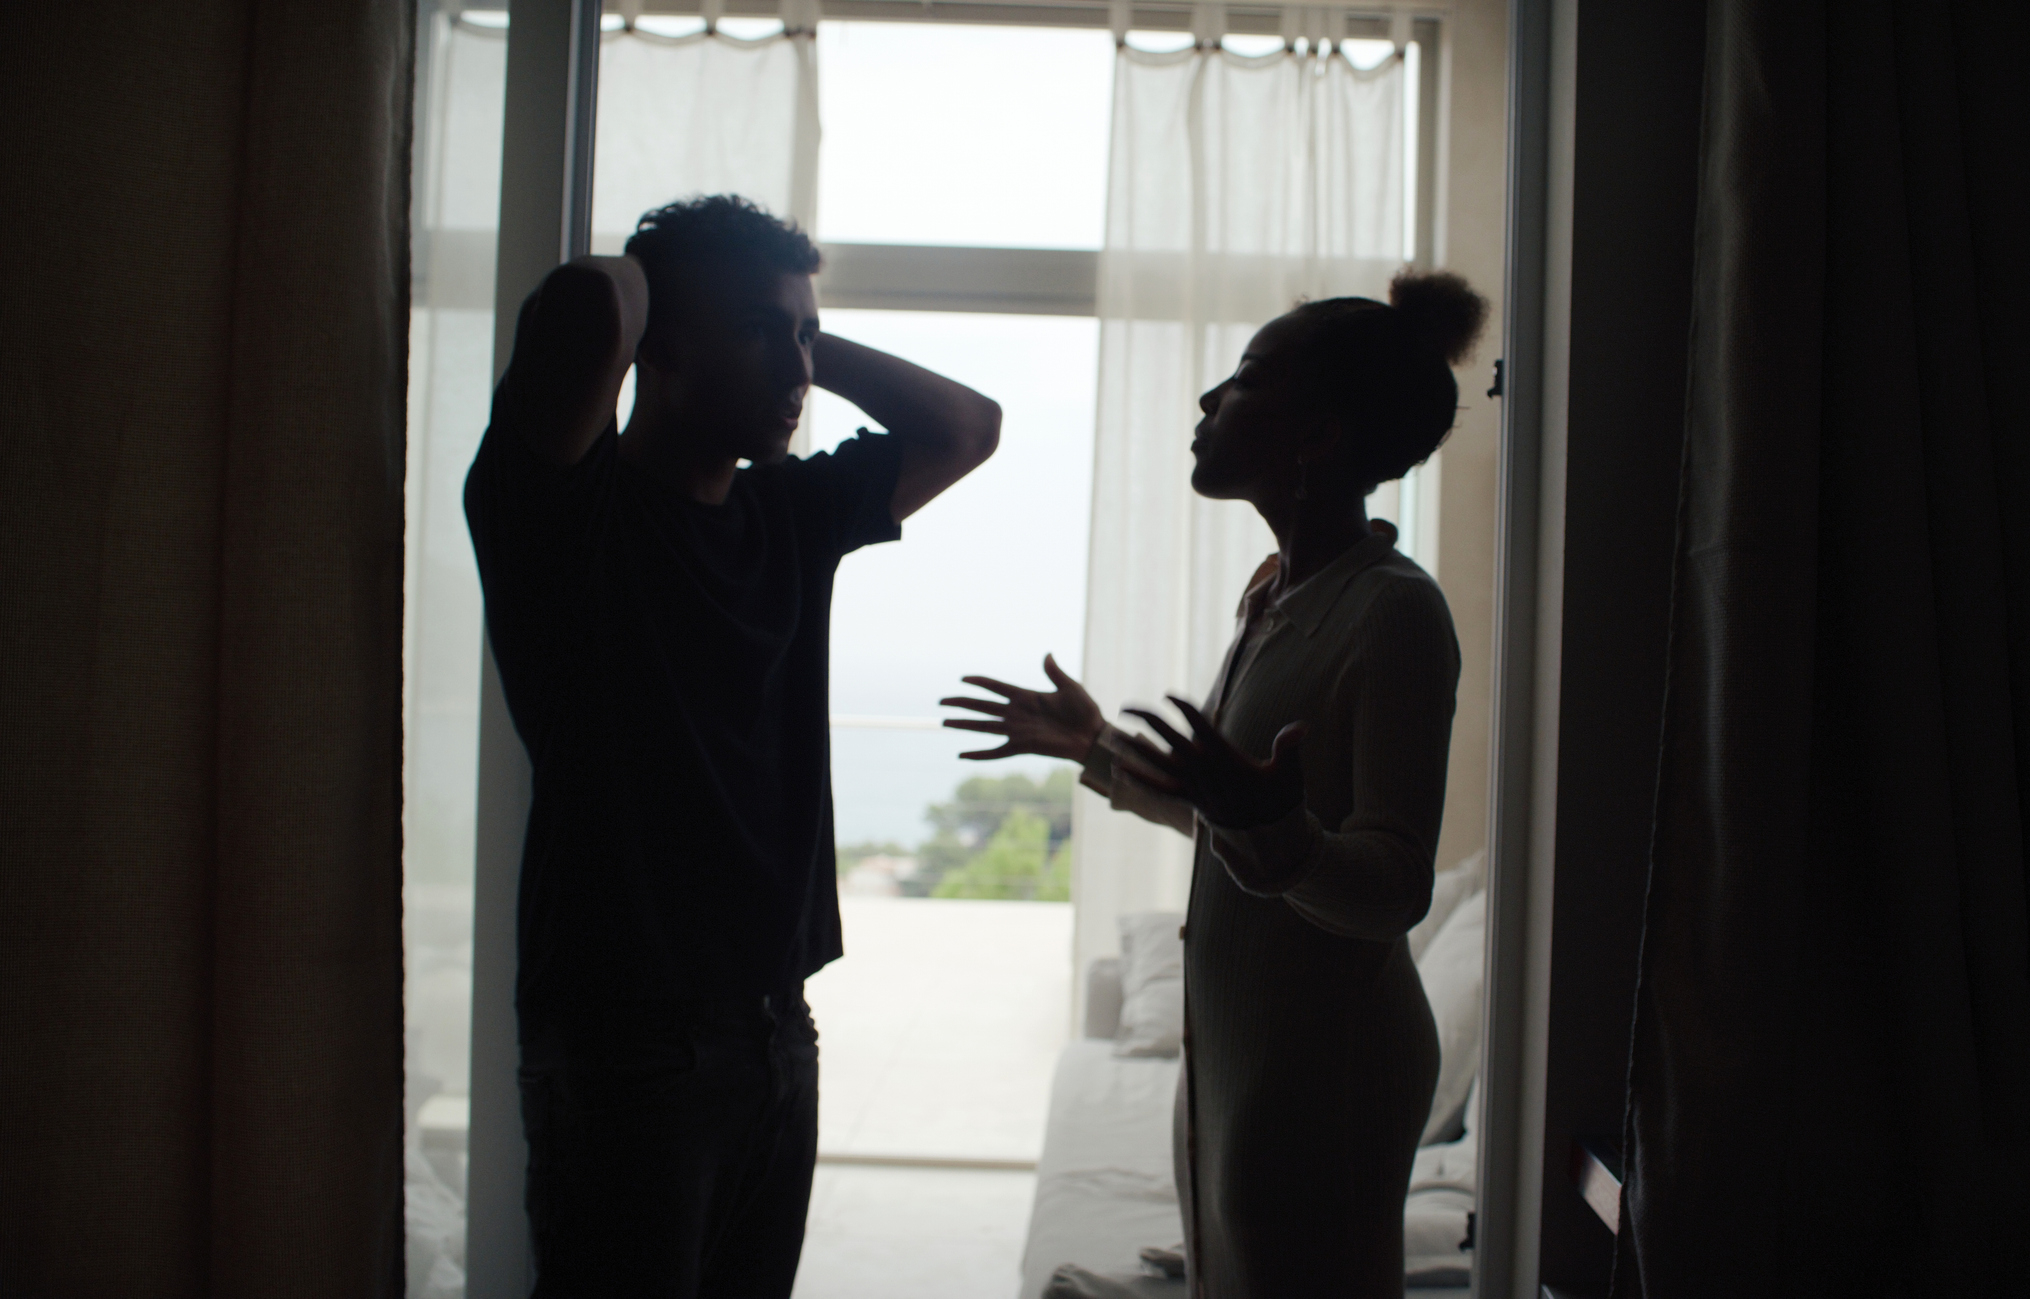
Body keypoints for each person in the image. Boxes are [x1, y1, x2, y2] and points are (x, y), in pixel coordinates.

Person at [464, 194, 1000, 1297]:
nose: (794, 368)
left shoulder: (787, 517)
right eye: (759, 331)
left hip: (774, 1025)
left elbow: (966, 427)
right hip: (623, 1044)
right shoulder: (564, 505)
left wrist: (792, 332)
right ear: (658, 347)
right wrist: (658, 283)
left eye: (802, 336)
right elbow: (582, 304)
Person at [945, 271, 1487, 1297]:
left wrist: (1272, 825)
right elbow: (1231, 824)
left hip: (1324, 1071)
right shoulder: (1278, 596)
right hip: (1253, 1055)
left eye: (1243, 380)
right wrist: (1097, 748)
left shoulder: (1393, 614)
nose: (1208, 403)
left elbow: (1391, 885)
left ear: (1315, 438)